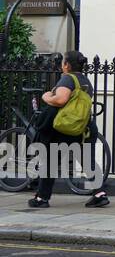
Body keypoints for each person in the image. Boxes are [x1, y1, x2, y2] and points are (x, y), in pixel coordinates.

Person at [27, 50, 108, 209]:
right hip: (84, 126)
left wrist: (46, 97)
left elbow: (61, 99)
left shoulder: (68, 79)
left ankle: (42, 198)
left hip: (65, 127)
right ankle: (99, 194)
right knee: (86, 160)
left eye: (63, 62)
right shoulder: (85, 81)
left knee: (50, 160)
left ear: (66, 65)